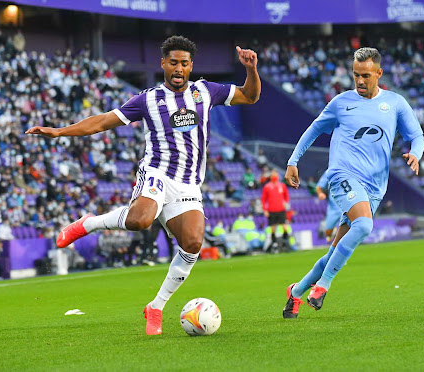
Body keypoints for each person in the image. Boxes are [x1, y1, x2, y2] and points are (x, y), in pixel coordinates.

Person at [26, 36, 260, 335]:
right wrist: (59, 132)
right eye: (173, 62)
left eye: (184, 63)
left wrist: (251, 70)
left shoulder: (205, 91)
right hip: (157, 173)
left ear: (191, 66)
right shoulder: (147, 100)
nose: (179, 68)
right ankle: (91, 223)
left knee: (192, 244)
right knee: (140, 220)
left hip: (188, 184)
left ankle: (156, 307)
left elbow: (249, 96)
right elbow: (101, 122)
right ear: (163, 63)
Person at [282, 47, 424, 318]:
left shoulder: (395, 103)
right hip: (343, 175)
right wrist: (293, 161)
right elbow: (313, 129)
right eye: (356, 75)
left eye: (366, 76)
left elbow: (416, 136)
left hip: (374, 188)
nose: (360, 81)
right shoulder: (340, 103)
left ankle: (296, 291)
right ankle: (322, 287)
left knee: (334, 252)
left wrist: (415, 154)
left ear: (379, 74)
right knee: (364, 225)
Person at [261, 169, 290, 250]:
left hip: (281, 209)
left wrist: (285, 203)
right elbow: (263, 199)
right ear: (271, 176)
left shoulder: (282, 185)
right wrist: (265, 210)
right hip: (272, 210)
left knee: (284, 226)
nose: (274, 176)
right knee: (273, 228)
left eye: (275, 175)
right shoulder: (267, 187)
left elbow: (286, 196)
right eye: (273, 175)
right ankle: (274, 242)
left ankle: (285, 241)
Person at [316, 170, 343, 243]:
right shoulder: (330, 171)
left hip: (347, 205)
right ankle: (331, 238)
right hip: (333, 207)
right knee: (328, 231)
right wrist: (320, 194)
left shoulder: (349, 169)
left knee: (351, 226)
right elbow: (318, 187)